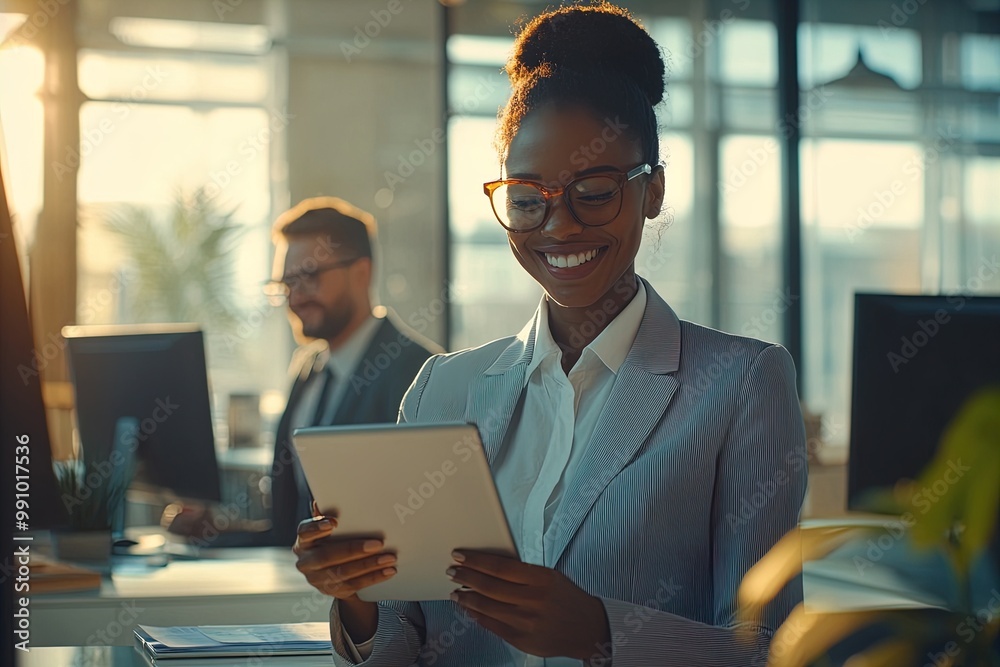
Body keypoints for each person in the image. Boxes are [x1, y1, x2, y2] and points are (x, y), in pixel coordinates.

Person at [294, 4, 806, 666]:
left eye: (593, 191)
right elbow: (403, 642)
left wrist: (601, 632)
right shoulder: (443, 389)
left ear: (653, 191)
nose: (558, 226)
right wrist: (357, 599)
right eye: (528, 197)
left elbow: (771, 650)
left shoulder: (740, 384)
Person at [169, 197, 442, 547]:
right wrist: (211, 531)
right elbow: (291, 533)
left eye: (310, 277)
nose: (295, 298)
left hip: (376, 596)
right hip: (300, 590)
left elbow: (424, 528)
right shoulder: (308, 369)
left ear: (362, 272)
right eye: (286, 284)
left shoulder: (421, 373)